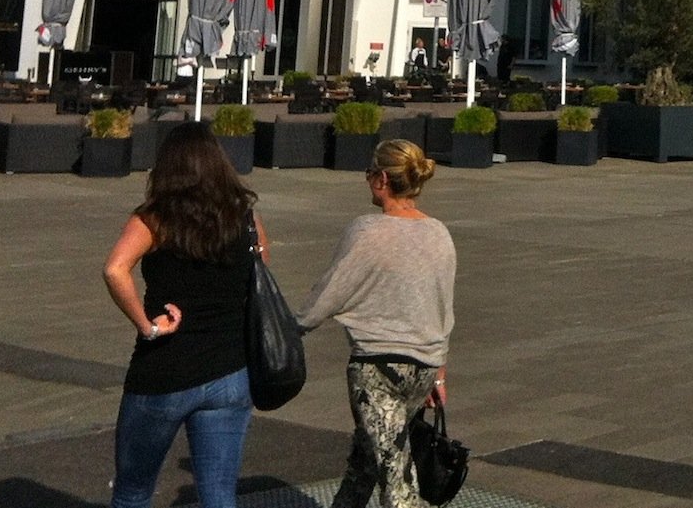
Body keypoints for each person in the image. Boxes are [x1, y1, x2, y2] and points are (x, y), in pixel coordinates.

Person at [102, 122, 267, 508]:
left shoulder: (154, 219)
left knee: (133, 492)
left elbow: (114, 269)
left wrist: (147, 326)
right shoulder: (244, 218)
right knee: (219, 496)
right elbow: (260, 279)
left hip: (165, 372)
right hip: (230, 372)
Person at [299, 139, 457, 508]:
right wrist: (439, 373)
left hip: (377, 370)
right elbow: (442, 310)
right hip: (423, 368)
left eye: (370, 172)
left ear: (382, 179)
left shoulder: (367, 230)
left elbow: (329, 293)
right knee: (367, 462)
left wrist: (289, 330)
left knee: (397, 481)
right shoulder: (440, 234)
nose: (367, 179)